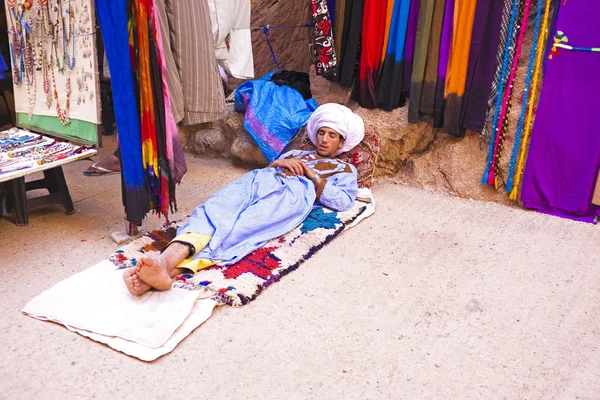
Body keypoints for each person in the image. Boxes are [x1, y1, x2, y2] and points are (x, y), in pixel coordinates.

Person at [123, 103, 365, 296]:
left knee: (240, 229)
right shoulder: (296, 153)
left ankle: (164, 271)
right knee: (212, 211)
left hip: (292, 195)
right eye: (321, 133)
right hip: (259, 180)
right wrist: (279, 162)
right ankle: (163, 261)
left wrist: (311, 174)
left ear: (342, 142)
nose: (324, 139)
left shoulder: (344, 170)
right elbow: (271, 167)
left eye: (332, 136)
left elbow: (343, 201)